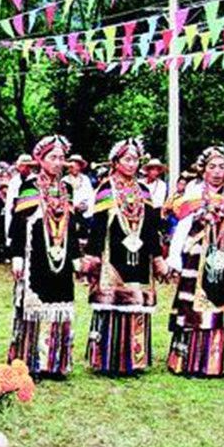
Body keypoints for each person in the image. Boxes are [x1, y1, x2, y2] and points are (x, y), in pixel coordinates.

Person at [167, 146, 224, 377]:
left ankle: (218, 362)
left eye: (222, 167)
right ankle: (189, 361)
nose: (217, 172)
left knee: (222, 302)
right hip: (198, 256)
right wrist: (174, 256)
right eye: (212, 167)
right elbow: (182, 227)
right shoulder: (194, 193)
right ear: (203, 170)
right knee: (194, 303)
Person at [83, 139, 167, 376]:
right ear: (116, 162)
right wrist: (92, 257)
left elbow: (151, 228)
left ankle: (135, 360)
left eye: (135, 160)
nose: (132, 164)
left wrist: (158, 258)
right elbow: (97, 227)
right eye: (127, 159)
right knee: (112, 305)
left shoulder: (144, 191)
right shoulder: (106, 189)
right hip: (113, 257)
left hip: (140, 259)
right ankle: (108, 360)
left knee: (136, 304)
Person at [7, 135, 81, 379]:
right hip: (35, 255)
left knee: (60, 304)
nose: (58, 162)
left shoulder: (67, 189)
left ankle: (56, 363)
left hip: (61, 256)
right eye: (53, 157)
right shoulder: (29, 187)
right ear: (40, 159)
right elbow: (18, 224)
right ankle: (31, 362)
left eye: (61, 158)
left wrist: (76, 256)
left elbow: (71, 226)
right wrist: (16, 255)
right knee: (34, 306)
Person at [4, 154, 37, 251]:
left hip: (33, 214)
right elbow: (10, 202)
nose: (23, 168)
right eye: (21, 165)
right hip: (17, 216)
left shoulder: (36, 180)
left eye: (26, 166)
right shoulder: (14, 181)